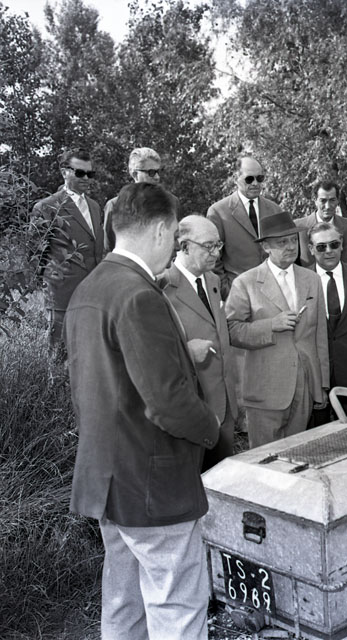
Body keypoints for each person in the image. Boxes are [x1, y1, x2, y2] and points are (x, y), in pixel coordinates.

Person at [64, 183, 219, 640]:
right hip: (153, 485)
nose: (173, 248)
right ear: (160, 230)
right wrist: (211, 428)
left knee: (124, 603)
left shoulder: (88, 288)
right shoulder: (139, 295)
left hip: (108, 480)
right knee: (177, 608)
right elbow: (167, 401)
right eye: (174, 236)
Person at [225, 211, 329, 448]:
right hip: (265, 392)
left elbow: (319, 336)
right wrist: (271, 325)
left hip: (303, 388)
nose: (291, 246)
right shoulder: (246, 283)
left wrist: (321, 385)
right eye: (282, 242)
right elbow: (231, 330)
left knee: (298, 456)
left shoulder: (311, 279)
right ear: (266, 247)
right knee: (265, 460)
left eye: (293, 240)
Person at [160, 215, 238, 470]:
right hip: (192, 411)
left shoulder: (213, 281)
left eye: (218, 245)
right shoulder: (162, 286)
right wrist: (186, 352)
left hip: (224, 407)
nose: (216, 253)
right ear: (184, 246)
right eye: (208, 246)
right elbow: (155, 353)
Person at [30, 147, 104, 352]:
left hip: (93, 295)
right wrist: (52, 284)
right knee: (59, 355)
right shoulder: (46, 207)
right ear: (64, 172)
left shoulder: (95, 207)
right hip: (61, 296)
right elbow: (35, 255)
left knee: (89, 354)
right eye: (80, 173)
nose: (86, 178)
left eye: (90, 173)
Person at [307, 221, 347, 424]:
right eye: (321, 247)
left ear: (342, 245)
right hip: (315, 375)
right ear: (311, 249)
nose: (329, 251)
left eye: (334, 244)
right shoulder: (301, 281)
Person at [207, 156, 282, 298]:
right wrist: (226, 291)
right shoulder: (218, 212)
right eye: (249, 179)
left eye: (260, 178)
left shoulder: (275, 210)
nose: (255, 183)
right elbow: (213, 258)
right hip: (237, 294)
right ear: (236, 178)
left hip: (274, 293)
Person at [103, 147, 181, 251]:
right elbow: (110, 247)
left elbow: (175, 242)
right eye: (151, 172)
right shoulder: (115, 205)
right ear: (135, 174)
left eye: (158, 171)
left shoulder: (172, 202)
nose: (157, 177)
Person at [295, 180, 347, 271]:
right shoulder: (298, 227)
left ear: (337, 200)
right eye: (323, 201)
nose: (328, 206)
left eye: (332, 200)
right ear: (315, 200)